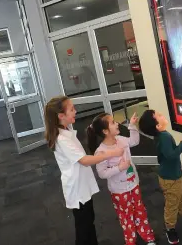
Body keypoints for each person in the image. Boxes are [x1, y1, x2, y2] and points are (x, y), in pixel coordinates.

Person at [44, 96, 124, 245]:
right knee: (84, 226)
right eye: (72, 109)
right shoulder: (62, 139)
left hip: (81, 185)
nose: (75, 111)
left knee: (88, 221)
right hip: (77, 188)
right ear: (61, 116)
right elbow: (84, 160)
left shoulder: (66, 130)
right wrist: (111, 153)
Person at [87, 112, 156, 245]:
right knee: (126, 217)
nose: (117, 123)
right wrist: (119, 168)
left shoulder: (121, 140)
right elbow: (102, 173)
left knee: (140, 211)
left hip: (133, 185)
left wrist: (132, 126)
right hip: (119, 192)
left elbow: (134, 141)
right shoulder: (101, 151)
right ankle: (130, 241)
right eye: (113, 123)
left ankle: (148, 237)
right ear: (105, 131)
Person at [138, 110, 182, 245]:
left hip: (171, 176)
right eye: (159, 115)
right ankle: (170, 228)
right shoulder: (164, 137)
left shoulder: (161, 136)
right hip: (170, 178)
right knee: (172, 203)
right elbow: (171, 155)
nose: (162, 114)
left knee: (178, 196)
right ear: (157, 126)